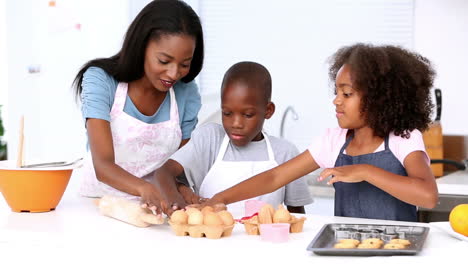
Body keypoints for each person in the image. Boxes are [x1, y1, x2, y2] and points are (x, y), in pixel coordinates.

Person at [205, 43, 439, 222]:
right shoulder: (334, 140)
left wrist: (365, 171)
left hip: (399, 252)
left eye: (347, 94)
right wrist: (220, 199)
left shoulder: (403, 138)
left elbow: (427, 195)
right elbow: (274, 178)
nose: (336, 101)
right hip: (347, 250)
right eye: (337, 92)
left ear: (380, 99)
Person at [71, 0, 204, 214]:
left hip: (158, 211)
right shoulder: (101, 80)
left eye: (184, 64)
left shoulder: (186, 92)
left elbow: (179, 165)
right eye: (163, 61)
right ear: (141, 46)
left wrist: (182, 190)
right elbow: (103, 166)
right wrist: (144, 187)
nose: (173, 73)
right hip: (99, 207)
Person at [151, 61, 313, 216]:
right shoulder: (209, 139)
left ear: (268, 110)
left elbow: (297, 216)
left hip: (265, 244)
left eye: (247, 115)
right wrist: (174, 199)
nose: (236, 124)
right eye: (227, 113)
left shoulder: (285, 153)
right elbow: (164, 172)